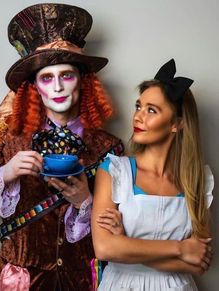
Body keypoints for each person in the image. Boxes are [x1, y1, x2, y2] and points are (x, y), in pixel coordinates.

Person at [0, 3, 124, 291]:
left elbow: (124, 226)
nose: (58, 87)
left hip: (82, 280)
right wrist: (6, 173)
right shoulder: (7, 140)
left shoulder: (110, 148)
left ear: (83, 83)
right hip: (19, 281)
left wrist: (87, 201)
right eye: (47, 78)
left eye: (67, 76)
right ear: (35, 87)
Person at [91, 59, 214, 291]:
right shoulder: (114, 170)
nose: (138, 117)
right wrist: (180, 249)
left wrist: (126, 243)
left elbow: (199, 263)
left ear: (176, 124)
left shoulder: (197, 181)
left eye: (151, 110)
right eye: (138, 106)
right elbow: (105, 249)